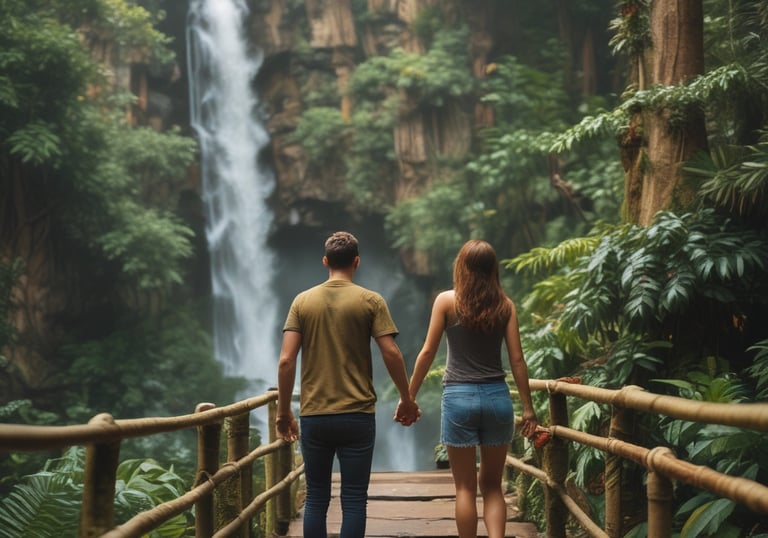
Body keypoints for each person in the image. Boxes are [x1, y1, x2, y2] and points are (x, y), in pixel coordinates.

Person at [276, 231, 421, 538]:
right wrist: (407, 398)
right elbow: (391, 353)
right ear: (356, 262)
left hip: (314, 414)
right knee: (354, 499)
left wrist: (283, 411)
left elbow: (286, 361)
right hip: (357, 414)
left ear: (325, 261)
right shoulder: (371, 301)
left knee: (316, 498)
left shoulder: (302, 302)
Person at [406, 239, 539, 538]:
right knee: (492, 486)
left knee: (464, 488)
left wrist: (410, 396)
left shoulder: (446, 301)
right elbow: (517, 359)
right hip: (497, 399)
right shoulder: (505, 305)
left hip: (458, 398)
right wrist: (528, 408)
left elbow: (427, 352)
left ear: (461, 267)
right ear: (493, 268)